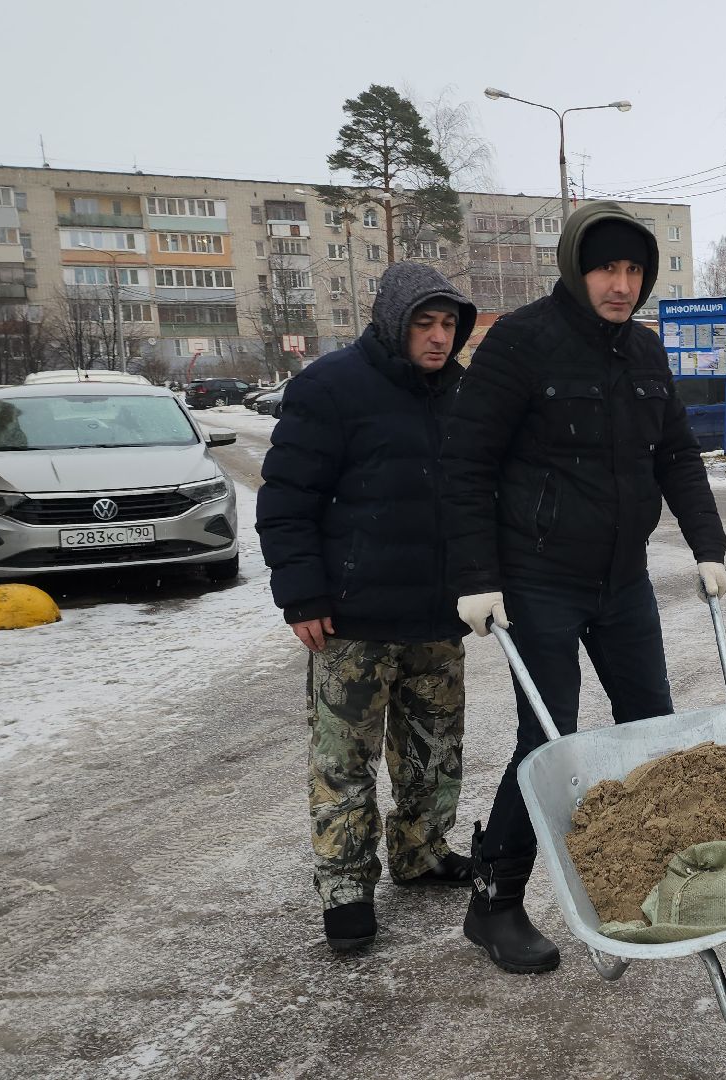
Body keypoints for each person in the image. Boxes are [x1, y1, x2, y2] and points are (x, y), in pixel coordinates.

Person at [441, 201, 726, 974]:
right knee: (551, 741)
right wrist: (477, 578)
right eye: (608, 267)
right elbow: (467, 465)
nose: (621, 283)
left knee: (652, 728)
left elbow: (675, 455)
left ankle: (649, 880)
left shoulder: (643, 351)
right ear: (577, 267)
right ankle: (495, 903)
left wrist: (708, 545)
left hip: (622, 578)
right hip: (537, 578)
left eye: (634, 269)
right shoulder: (523, 342)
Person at [257, 262, 479, 954]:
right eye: (425, 324)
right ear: (393, 321)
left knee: (432, 754)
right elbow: (286, 499)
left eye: (448, 325)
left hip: (437, 619)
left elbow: (480, 498)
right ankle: (347, 887)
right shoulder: (329, 387)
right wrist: (302, 594)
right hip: (350, 623)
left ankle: (421, 851)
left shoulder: (463, 396)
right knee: (343, 762)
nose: (439, 339)